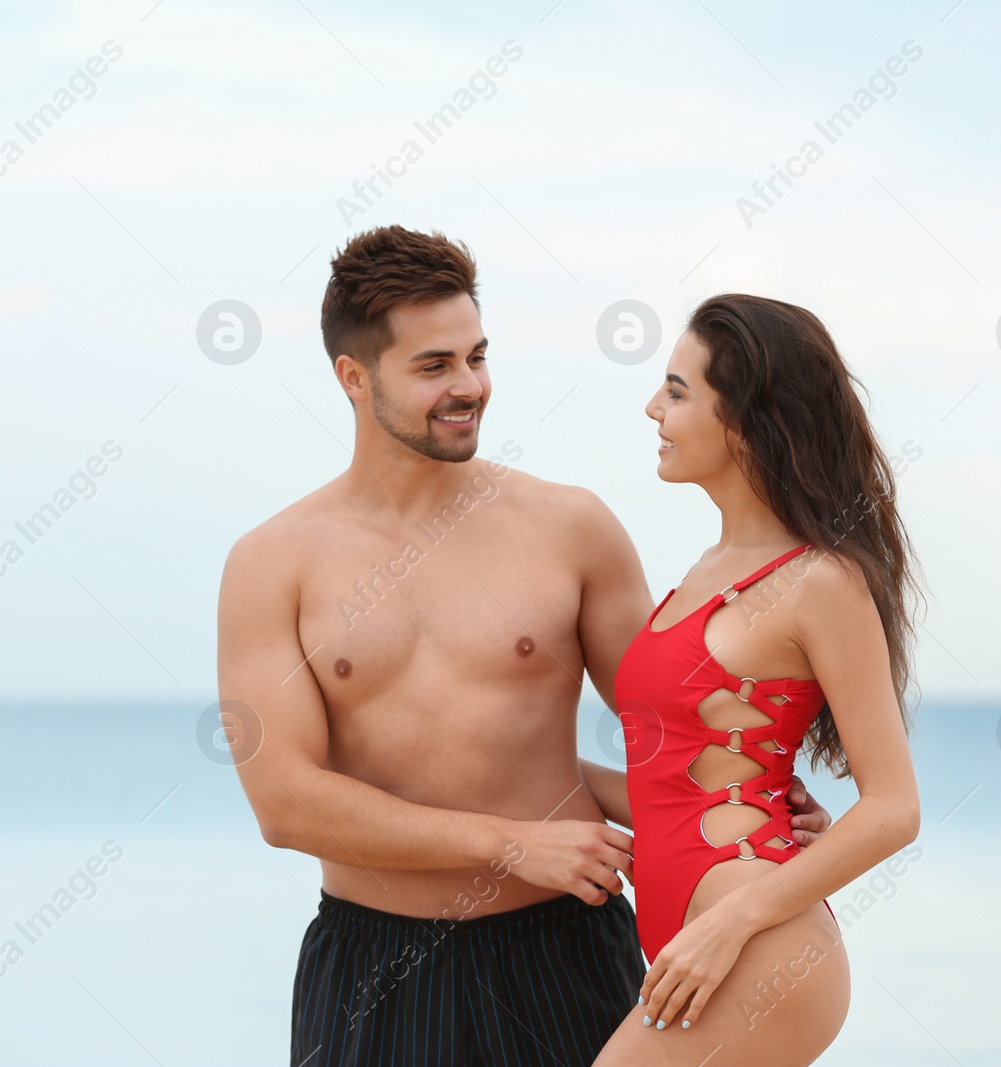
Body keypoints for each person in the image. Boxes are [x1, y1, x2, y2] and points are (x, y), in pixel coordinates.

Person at [215, 227, 834, 1067]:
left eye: (477, 355)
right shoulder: (272, 563)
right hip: (372, 967)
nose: (469, 386)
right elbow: (286, 803)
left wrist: (754, 819)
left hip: (563, 948)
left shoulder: (569, 529)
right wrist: (509, 841)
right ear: (353, 378)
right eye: (434, 366)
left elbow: (676, 733)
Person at [589, 295, 923, 1065]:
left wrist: (731, 924)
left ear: (743, 418)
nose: (652, 408)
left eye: (676, 390)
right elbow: (665, 784)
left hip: (758, 936)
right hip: (697, 929)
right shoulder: (704, 571)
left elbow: (894, 808)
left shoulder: (820, 581)